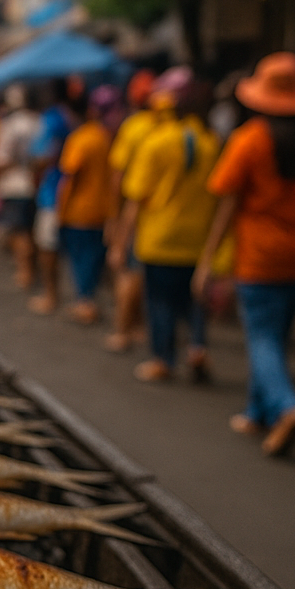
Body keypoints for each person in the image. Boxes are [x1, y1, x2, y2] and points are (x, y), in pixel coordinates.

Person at [194, 53, 295, 457]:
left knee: (262, 339)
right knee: (273, 338)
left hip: (259, 257)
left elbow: (226, 206)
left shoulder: (248, 141)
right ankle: (257, 412)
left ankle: (286, 407)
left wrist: (208, 259)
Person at [107, 79, 219, 383]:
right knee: (193, 298)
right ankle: (197, 344)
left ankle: (163, 360)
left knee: (160, 301)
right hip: (198, 237)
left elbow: (135, 198)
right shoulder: (210, 142)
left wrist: (120, 240)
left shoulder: (154, 143)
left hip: (159, 236)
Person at [104, 70, 160, 353]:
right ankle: (137, 326)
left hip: (133, 208)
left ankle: (122, 331)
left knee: (127, 271)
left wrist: (113, 218)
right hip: (160, 213)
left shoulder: (134, 127)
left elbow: (117, 175)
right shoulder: (169, 127)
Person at [54, 87, 111, 325]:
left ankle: (85, 303)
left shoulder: (78, 140)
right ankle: (88, 300)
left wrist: (61, 210)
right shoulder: (103, 136)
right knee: (92, 259)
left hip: (79, 211)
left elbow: (70, 177)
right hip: (102, 209)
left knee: (80, 260)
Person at [28, 78, 78, 315]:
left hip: (52, 192)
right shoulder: (72, 118)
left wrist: (33, 166)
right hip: (71, 190)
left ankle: (51, 295)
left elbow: (42, 155)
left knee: (47, 247)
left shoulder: (51, 119)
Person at [0, 84, 40, 288]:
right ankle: (31, 271)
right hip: (36, 185)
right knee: (30, 231)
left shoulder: (9, 125)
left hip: (14, 186)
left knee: (18, 232)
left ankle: (25, 272)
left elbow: (0, 159)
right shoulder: (39, 122)